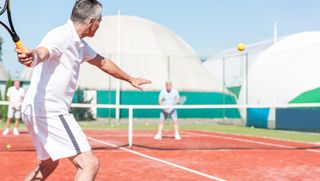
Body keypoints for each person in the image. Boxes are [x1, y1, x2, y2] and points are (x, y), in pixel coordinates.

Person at [16, 0, 151, 180]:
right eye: (99, 21)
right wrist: (33, 56)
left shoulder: (78, 43)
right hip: (50, 111)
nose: (99, 25)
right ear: (91, 22)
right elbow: (43, 52)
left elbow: (103, 62)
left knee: (48, 164)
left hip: (34, 109)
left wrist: (130, 79)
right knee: (89, 163)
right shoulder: (61, 35)